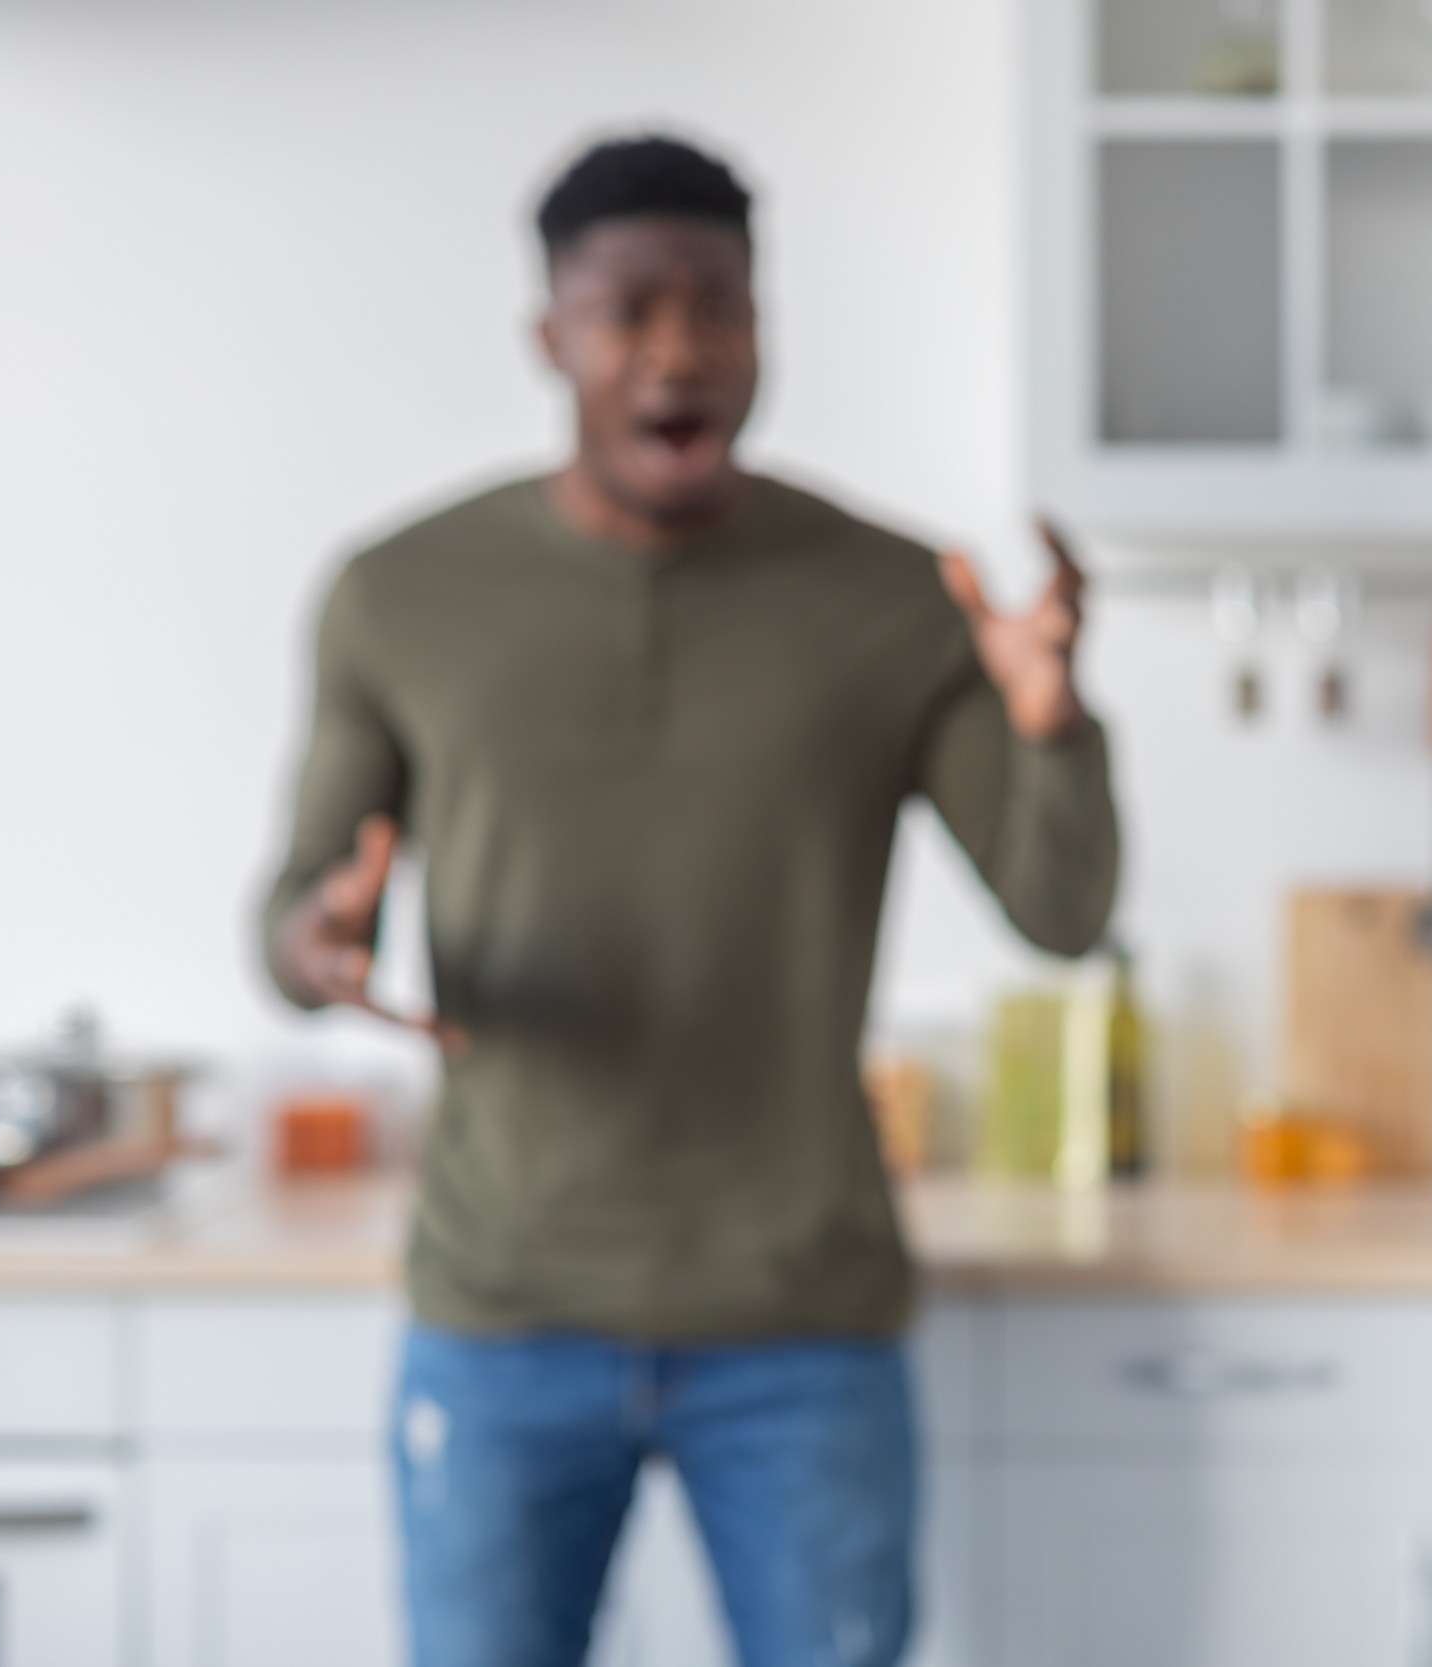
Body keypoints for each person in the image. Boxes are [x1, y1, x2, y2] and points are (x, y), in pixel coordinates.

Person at [262, 135, 1118, 1667]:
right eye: (630, 310)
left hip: (801, 1321)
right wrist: (321, 941)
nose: (680, 348)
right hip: (503, 1303)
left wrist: (1051, 722)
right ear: (552, 339)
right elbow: (293, 913)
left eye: (718, 306)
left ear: (760, 325)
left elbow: (1060, 911)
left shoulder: (890, 597)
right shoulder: (400, 593)